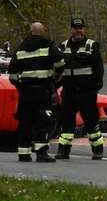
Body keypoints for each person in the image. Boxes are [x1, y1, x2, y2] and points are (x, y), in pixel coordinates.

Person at [7, 22, 65, 163]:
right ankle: (41, 153)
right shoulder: (49, 46)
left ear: (30, 32)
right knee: (43, 121)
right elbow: (61, 63)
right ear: (43, 32)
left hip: (26, 92)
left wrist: (21, 86)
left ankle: (23, 153)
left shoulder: (20, 49)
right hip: (42, 90)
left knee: (25, 121)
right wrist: (55, 78)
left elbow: (12, 75)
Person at [55, 16, 105, 160]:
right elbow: (58, 71)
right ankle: (63, 150)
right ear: (71, 30)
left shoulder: (91, 46)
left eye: (80, 28)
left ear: (84, 29)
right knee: (66, 123)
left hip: (86, 92)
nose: (78, 31)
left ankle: (97, 150)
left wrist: (93, 89)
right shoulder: (62, 47)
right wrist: (54, 88)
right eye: (75, 28)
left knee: (91, 123)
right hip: (69, 92)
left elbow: (98, 71)